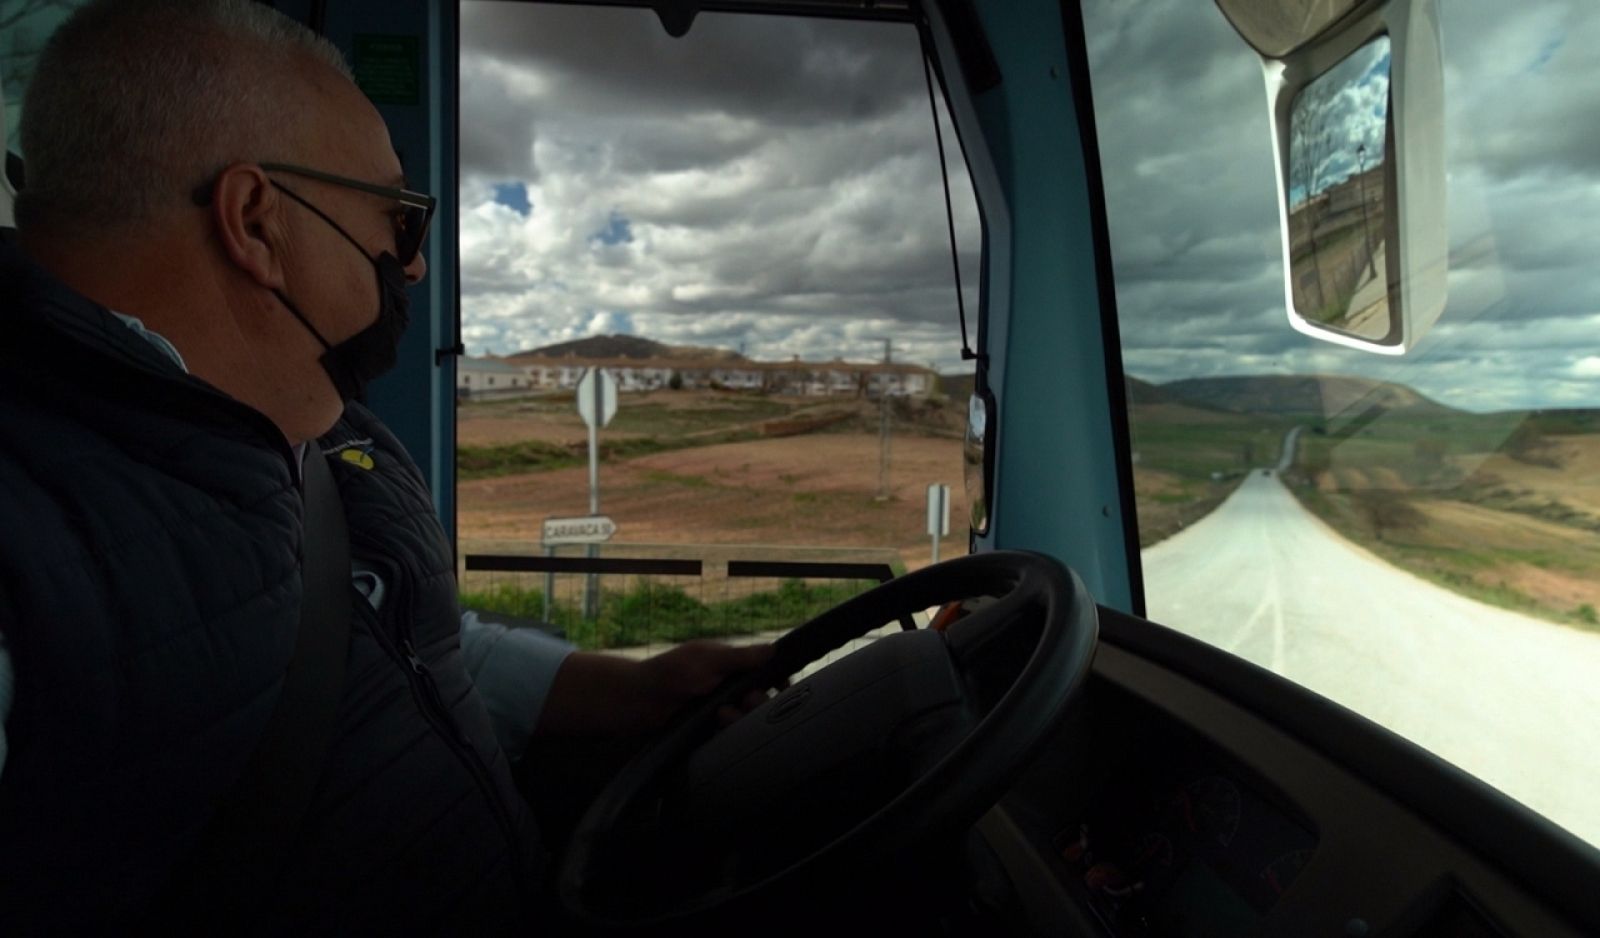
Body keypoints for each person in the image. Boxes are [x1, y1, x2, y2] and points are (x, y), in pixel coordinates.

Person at [0, 1, 772, 931]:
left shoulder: (333, 440)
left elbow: (400, 632)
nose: (410, 269)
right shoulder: (30, 539)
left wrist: (627, 686)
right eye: (397, 221)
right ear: (257, 222)